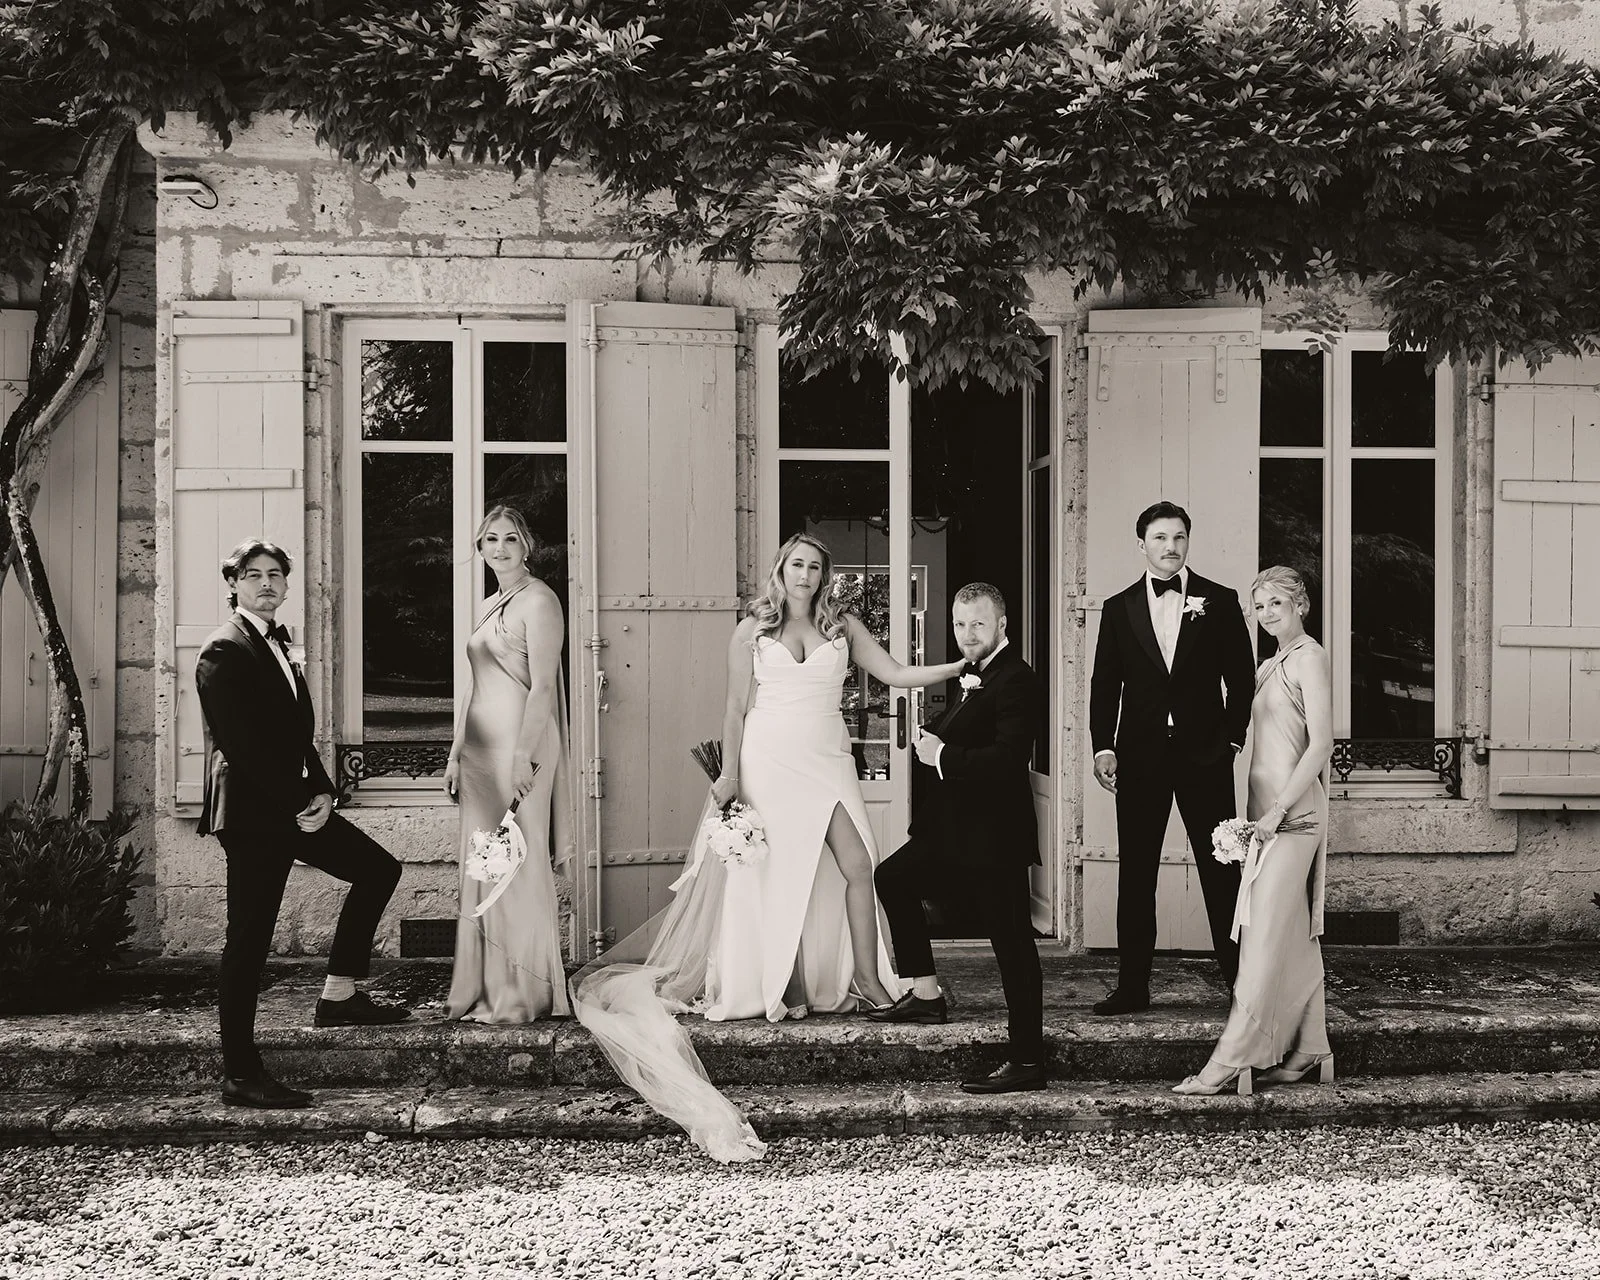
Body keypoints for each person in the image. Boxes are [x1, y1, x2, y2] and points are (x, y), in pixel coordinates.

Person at [569, 531, 963, 1161]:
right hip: (770, 760)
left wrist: (959, 666)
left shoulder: (844, 625)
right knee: (773, 875)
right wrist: (728, 775)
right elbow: (733, 708)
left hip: (829, 760)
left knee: (858, 863)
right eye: (796, 563)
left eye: (815, 565)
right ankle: (772, 982)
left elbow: (893, 673)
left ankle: (866, 976)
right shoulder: (749, 630)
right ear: (781, 570)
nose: (805, 573)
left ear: (825, 574)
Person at [196, 539, 408, 1111]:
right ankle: (240, 1072)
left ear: (287, 585)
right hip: (255, 817)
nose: (266, 584)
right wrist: (299, 800)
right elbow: (243, 748)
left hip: (294, 805)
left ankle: (339, 995)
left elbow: (294, 735)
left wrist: (322, 789)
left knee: (378, 869)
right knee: (249, 940)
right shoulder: (222, 649)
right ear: (234, 583)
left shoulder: (278, 646)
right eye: (253, 575)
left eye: (275, 575)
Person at [870, 583, 1046, 1095]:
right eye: (960, 623)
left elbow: (1007, 758)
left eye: (979, 624)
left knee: (1012, 945)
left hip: (994, 838)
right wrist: (934, 734)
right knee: (894, 878)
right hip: (953, 833)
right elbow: (970, 731)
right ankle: (925, 994)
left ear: (1002, 625)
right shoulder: (977, 675)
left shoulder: (1017, 679)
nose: (968, 634)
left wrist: (941, 754)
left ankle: (1028, 1060)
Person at [1088, 501, 1255, 1014]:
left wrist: (1230, 740)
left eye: (1179, 537)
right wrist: (1104, 745)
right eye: (1160, 538)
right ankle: (1133, 987)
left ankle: (1243, 983)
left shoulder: (1220, 600)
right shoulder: (1117, 609)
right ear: (1142, 544)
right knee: (1136, 873)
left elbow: (1242, 677)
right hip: (1139, 759)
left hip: (1205, 756)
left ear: (1188, 541)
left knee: (1221, 869)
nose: (1170, 547)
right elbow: (1104, 684)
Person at [1174, 566, 1334, 1094]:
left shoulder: (1310, 658)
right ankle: (1311, 1048)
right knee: (1292, 935)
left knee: (1261, 935)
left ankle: (1231, 1059)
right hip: (1264, 817)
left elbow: (1320, 746)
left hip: (1293, 817)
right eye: (1259, 606)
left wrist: (1276, 812)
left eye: (1276, 604)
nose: (1266, 614)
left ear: (1300, 605)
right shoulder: (1268, 665)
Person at [443, 505, 574, 1023]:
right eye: (491, 539)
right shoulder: (488, 604)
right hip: (478, 753)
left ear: (527, 546)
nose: (500, 548)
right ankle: (484, 987)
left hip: (521, 750)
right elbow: (473, 687)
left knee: (517, 863)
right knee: (483, 864)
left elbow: (542, 685)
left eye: (511, 539)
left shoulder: (540, 601)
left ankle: (523, 990)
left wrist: (523, 757)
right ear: (479, 548)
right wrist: (455, 754)